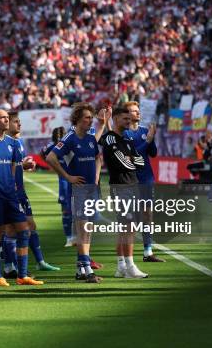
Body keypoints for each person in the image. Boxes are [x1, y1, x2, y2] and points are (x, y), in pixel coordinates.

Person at [0, 109, 43, 287]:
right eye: (2, 117)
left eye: (8, 118)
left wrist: (14, 186)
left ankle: (22, 275)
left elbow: (15, 168)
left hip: (11, 195)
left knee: (24, 231)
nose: (6, 120)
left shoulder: (12, 143)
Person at [46, 102, 103, 283]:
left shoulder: (90, 138)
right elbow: (51, 157)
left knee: (88, 230)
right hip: (78, 190)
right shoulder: (70, 138)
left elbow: (97, 158)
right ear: (77, 119)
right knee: (82, 229)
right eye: (87, 118)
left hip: (92, 189)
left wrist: (96, 177)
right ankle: (87, 270)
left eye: (91, 118)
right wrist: (68, 177)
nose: (89, 121)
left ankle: (82, 269)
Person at [99, 106, 149, 279]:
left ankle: (121, 266)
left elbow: (141, 162)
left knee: (126, 228)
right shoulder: (110, 139)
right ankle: (130, 266)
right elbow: (124, 164)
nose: (129, 122)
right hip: (121, 187)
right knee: (127, 227)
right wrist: (131, 160)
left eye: (130, 119)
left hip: (133, 186)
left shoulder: (127, 140)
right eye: (125, 119)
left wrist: (131, 159)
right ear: (116, 119)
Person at [7, 111, 60, 272]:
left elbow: (19, 165)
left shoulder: (19, 142)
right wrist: (21, 167)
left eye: (19, 121)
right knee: (11, 229)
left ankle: (39, 261)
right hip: (10, 192)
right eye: (16, 121)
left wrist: (27, 166)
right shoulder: (4, 143)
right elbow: (4, 168)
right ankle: (10, 266)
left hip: (20, 190)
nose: (19, 124)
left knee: (31, 225)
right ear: (7, 124)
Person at [124, 101, 165, 262]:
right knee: (133, 218)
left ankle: (148, 251)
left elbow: (153, 153)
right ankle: (128, 257)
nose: (137, 113)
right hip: (132, 179)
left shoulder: (144, 131)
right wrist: (147, 141)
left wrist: (152, 138)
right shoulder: (125, 134)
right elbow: (131, 156)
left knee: (148, 215)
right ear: (127, 115)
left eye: (138, 110)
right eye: (133, 111)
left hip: (147, 178)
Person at [40, 127, 74, 247]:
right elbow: (43, 153)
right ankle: (69, 238)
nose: (59, 139)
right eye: (57, 137)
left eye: (61, 136)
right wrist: (52, 166)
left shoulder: (70, 144)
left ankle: (77, 236)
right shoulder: (52, 147)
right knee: (66, 210)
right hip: (64, 180)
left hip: (74, 178)